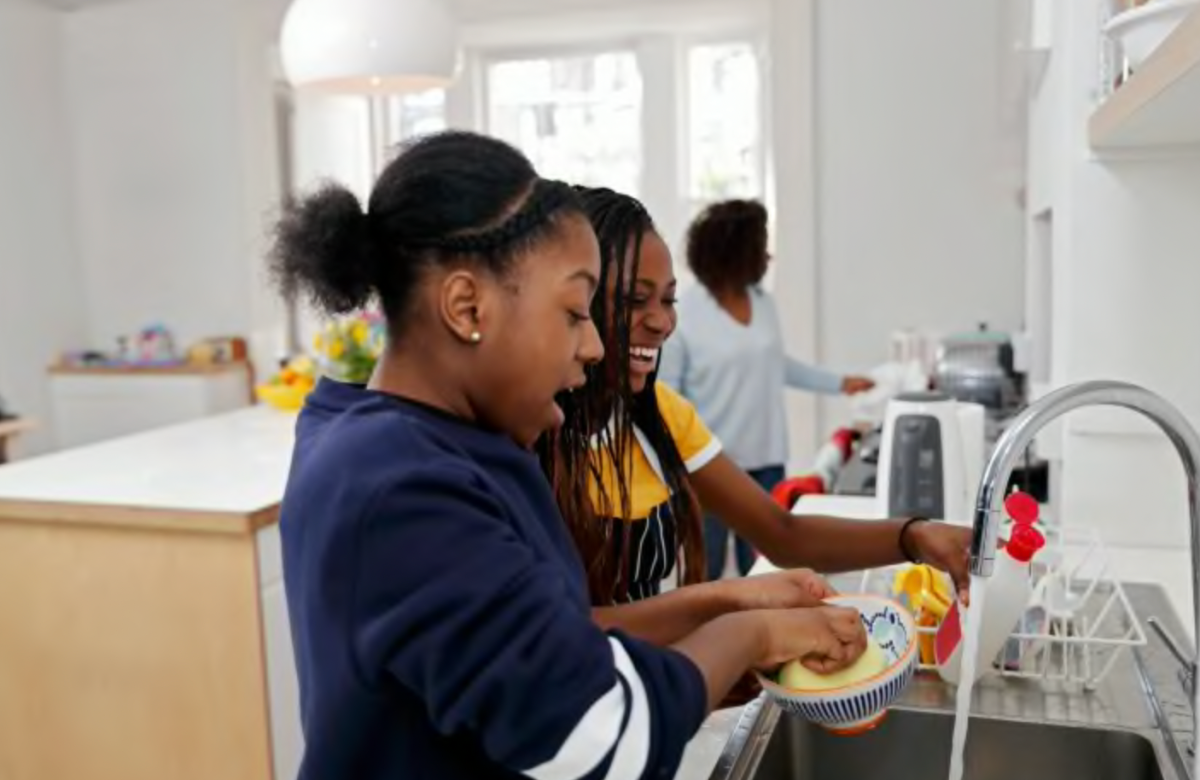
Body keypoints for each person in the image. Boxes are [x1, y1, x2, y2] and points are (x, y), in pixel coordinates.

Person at [270, 131, 867, 780]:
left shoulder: (443, 446)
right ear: (468, 306)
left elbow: (558, 641)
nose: (593, 347)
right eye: (576, 313)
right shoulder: (397, 484)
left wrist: (727, 607)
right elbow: (601, 739)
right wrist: (753, 634)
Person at [537, 186, 971, 649]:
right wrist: (734, 609)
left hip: (657, 692)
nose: (661, 322)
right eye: (633, 301)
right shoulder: (529, 438)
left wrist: (915, 536)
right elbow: (565, 631)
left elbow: (783, 533)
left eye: (667, 301)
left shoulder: (662, 415)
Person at [659, 199, 877, 579]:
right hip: (709, 466)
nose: (768, 256)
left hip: (767, 460)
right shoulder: (687, 313)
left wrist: (839, 384)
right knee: (706, 570)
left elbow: (776, 365)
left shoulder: (763, 304)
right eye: (760, 246)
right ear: (736, 251)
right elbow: (666, 398)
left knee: (767, 568)